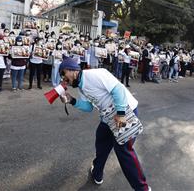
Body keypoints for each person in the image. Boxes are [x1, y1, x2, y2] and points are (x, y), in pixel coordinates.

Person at [58, 57, 150, 191]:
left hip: (124, 111)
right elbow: (88, 107)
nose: (62, 79)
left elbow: (118, 89)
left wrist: (120, 114)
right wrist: (71, 100)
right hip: (108, 117)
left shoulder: (95, 74)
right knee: (101, 140)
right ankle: (97, 172)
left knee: (124, 151)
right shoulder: (81, 87)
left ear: (71, 70)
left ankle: (143, 189)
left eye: (63, 74)